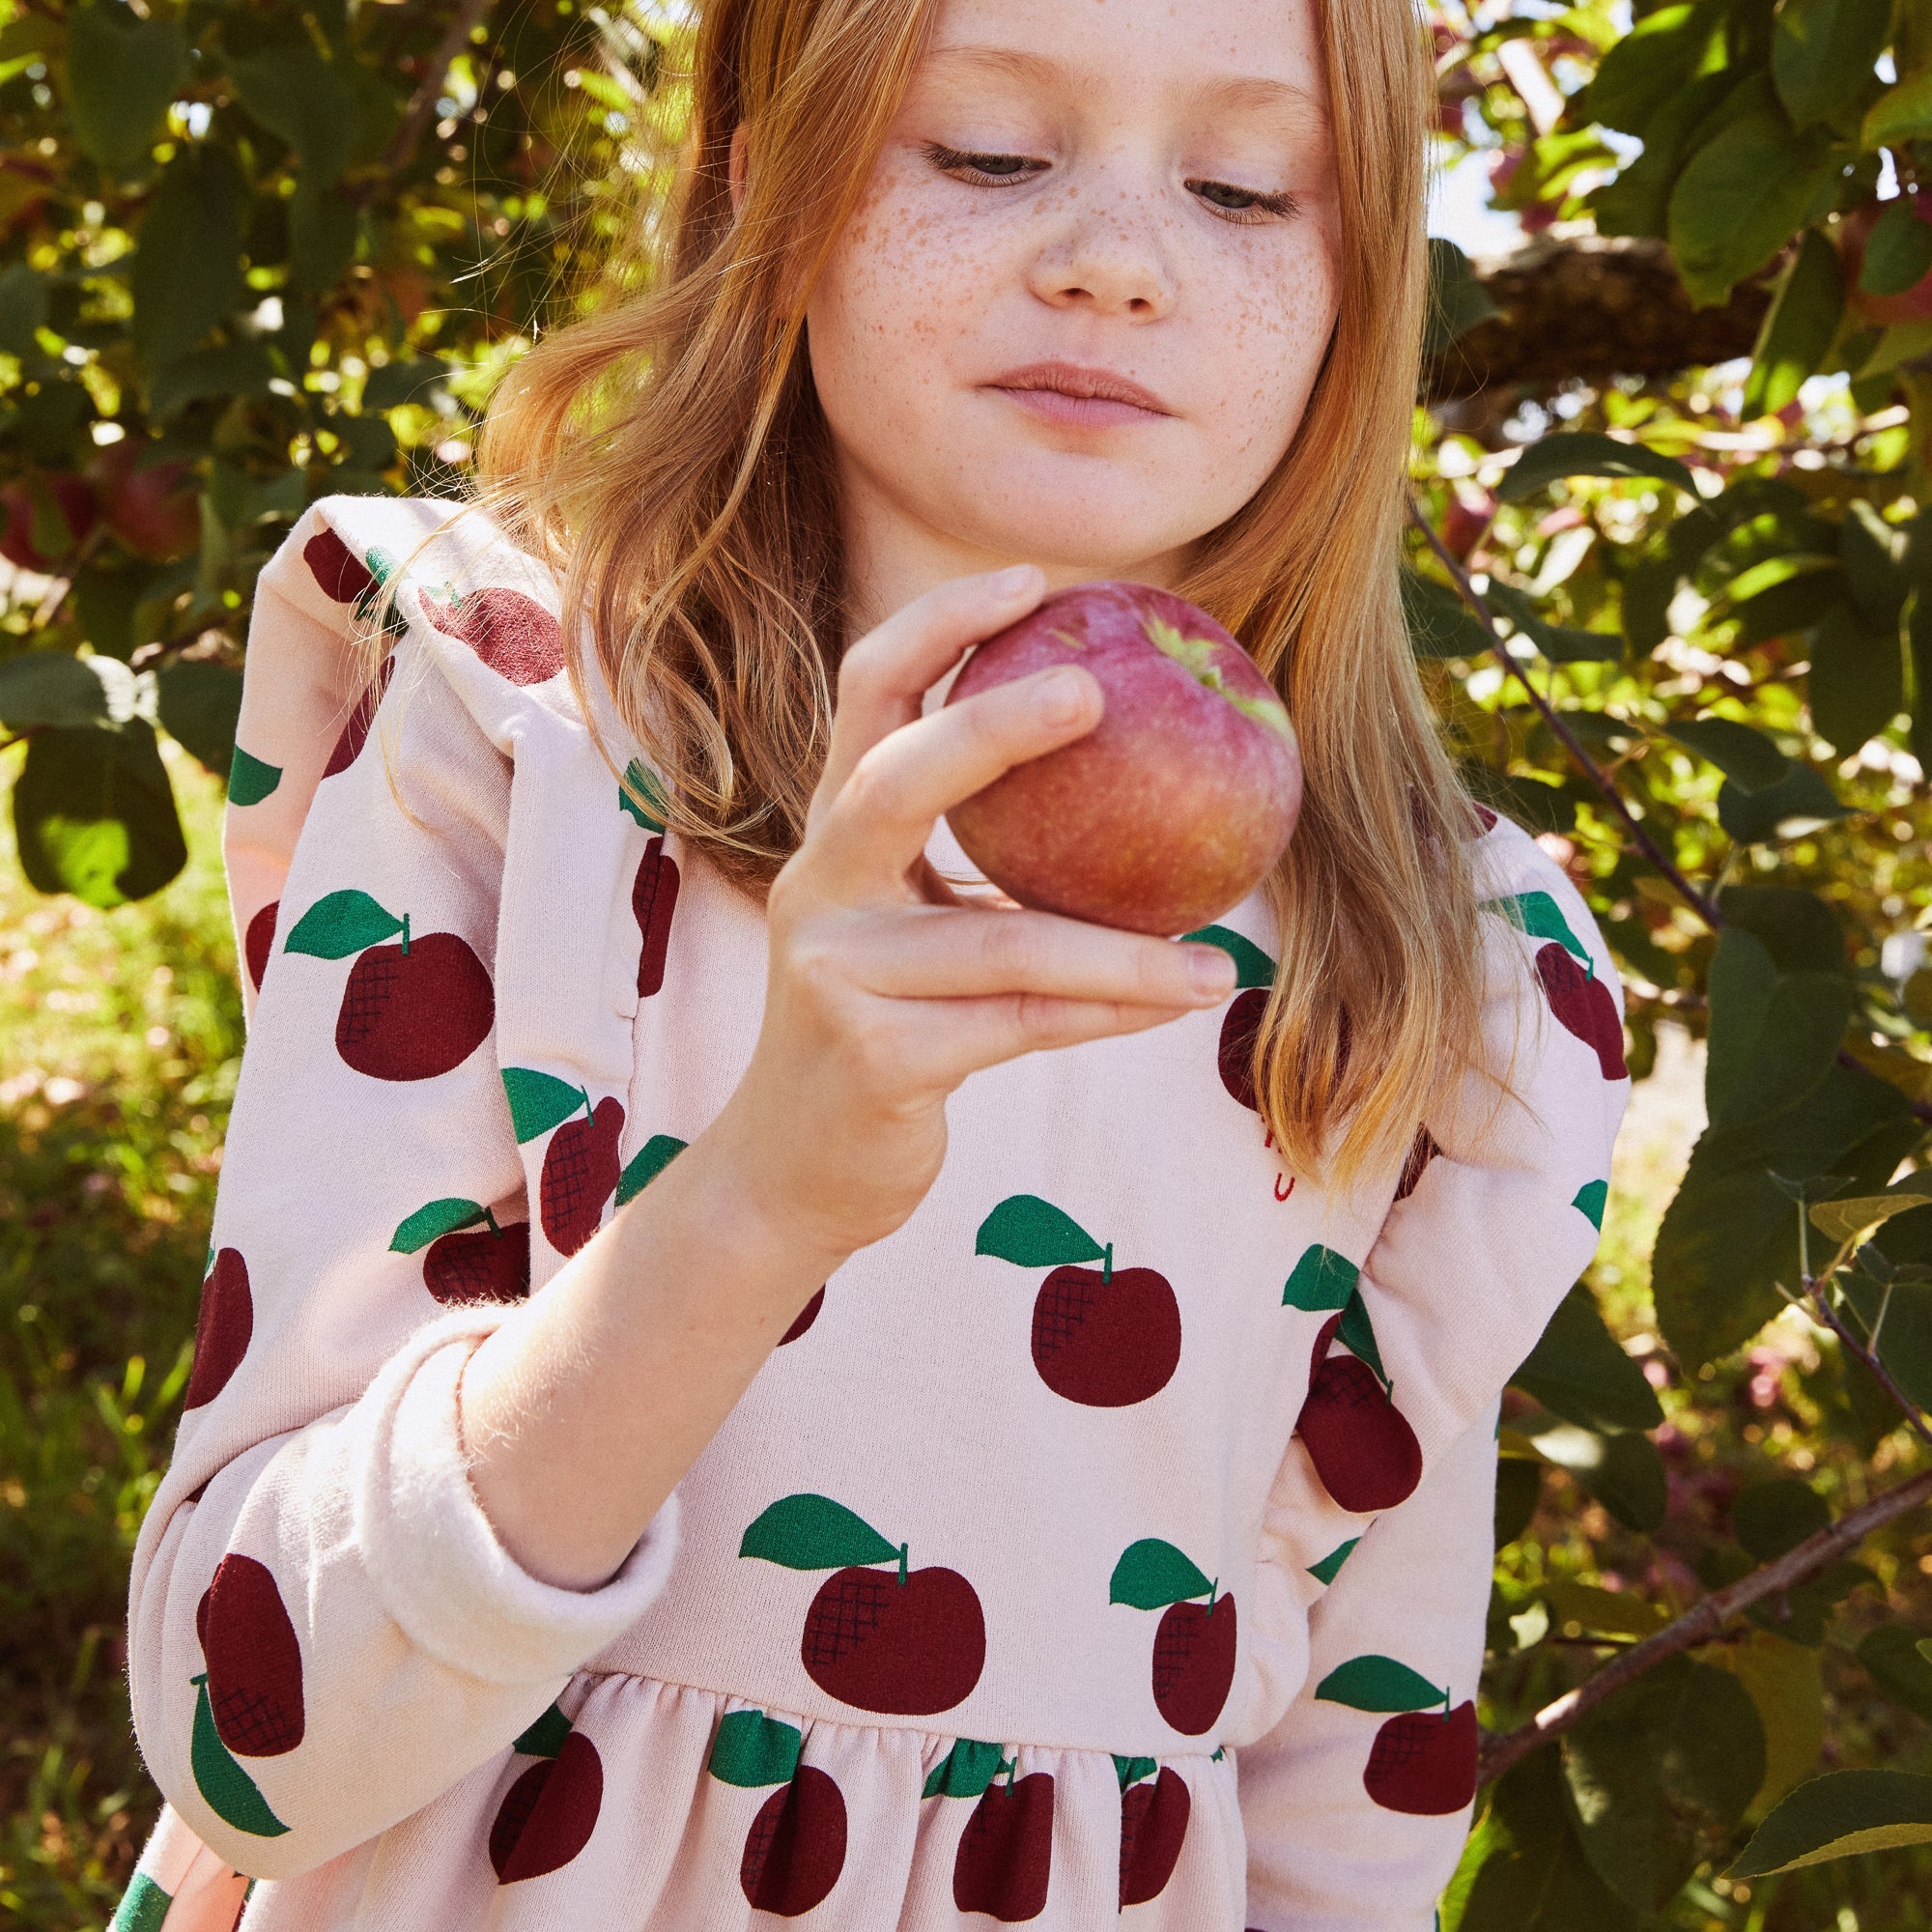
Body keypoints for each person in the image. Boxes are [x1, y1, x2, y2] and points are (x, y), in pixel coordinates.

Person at [118, 0, 1631, 1926]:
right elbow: (251, 1735)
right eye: (988, 152)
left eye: (1249, 188)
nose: (1114, 259)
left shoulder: (1434, 972)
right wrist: (755, 1202)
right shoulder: (521, 749)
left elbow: (1351, 1813)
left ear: (1362, 280)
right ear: (776, 195)